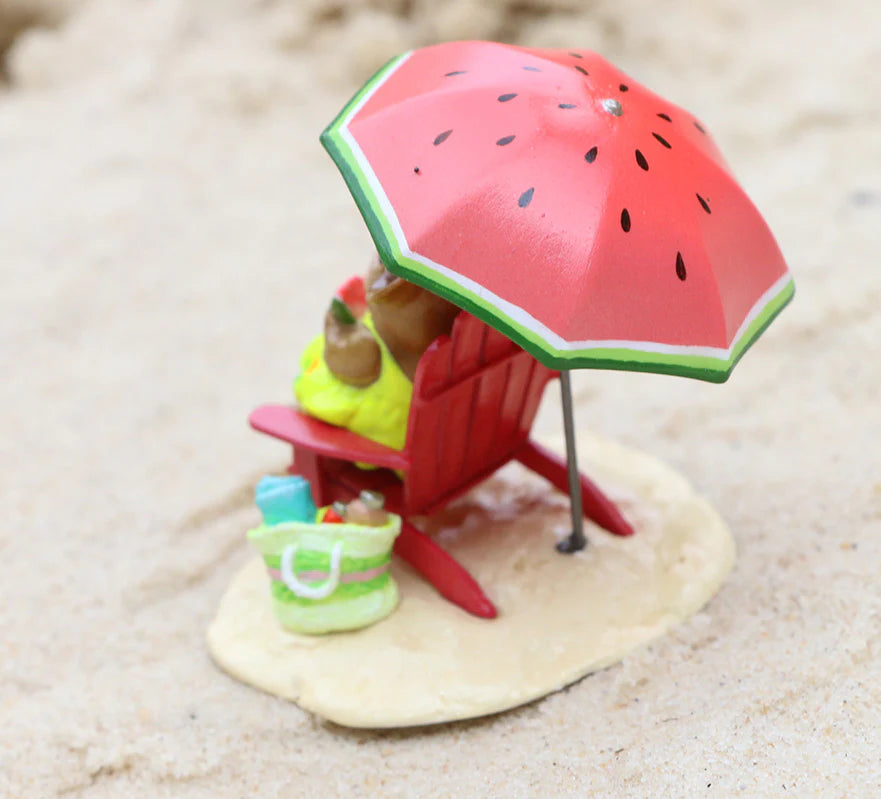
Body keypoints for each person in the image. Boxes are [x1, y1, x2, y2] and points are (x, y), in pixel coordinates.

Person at [294, 257, 459, 451]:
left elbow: (340, 357)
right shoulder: (464, 332)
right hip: (440, 424)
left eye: (382, 261)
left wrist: (336, 322)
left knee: (316, 380)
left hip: (385, 429)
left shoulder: (367, 349)